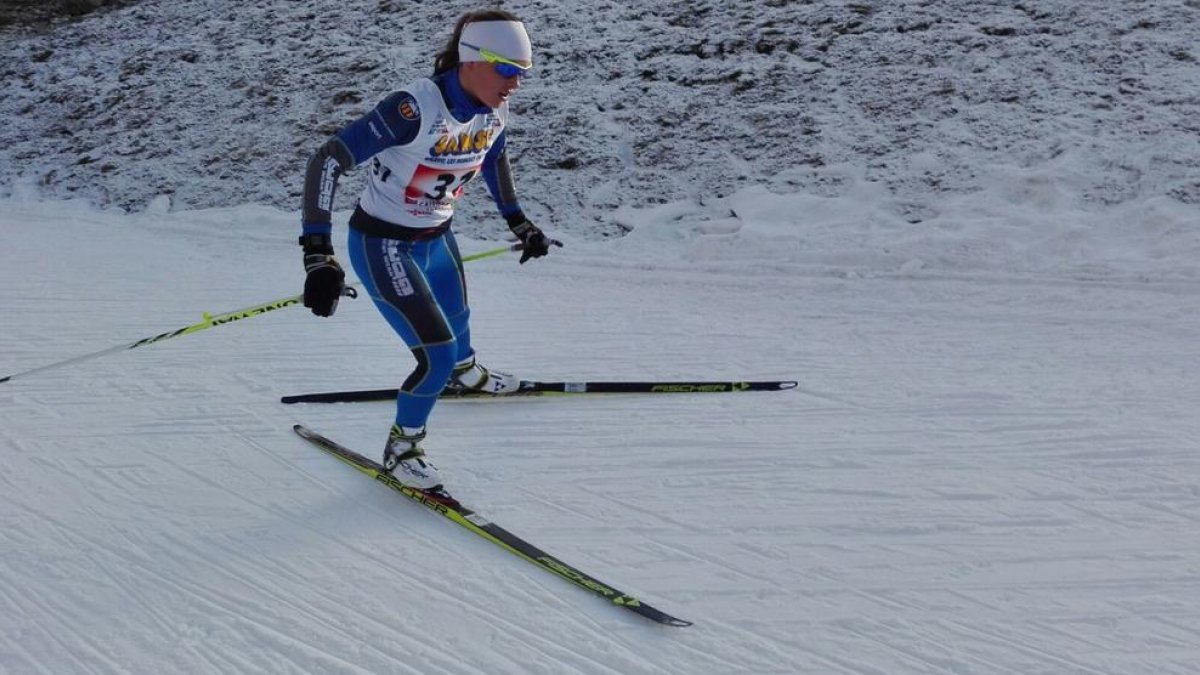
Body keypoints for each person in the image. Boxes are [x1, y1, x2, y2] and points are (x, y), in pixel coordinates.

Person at [297, 10, 557, 493]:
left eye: (523, 73)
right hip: (383, 243)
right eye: (507, 70)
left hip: (437, 237)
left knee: (459, 320)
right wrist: (317, 252)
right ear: (473, 60)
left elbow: (495, 157)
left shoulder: (494, 107)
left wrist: (519, 221)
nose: (516, 83)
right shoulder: (412, 110)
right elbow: (328, 159)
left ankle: (466, 374)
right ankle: (403, 448)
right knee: (435, 354)